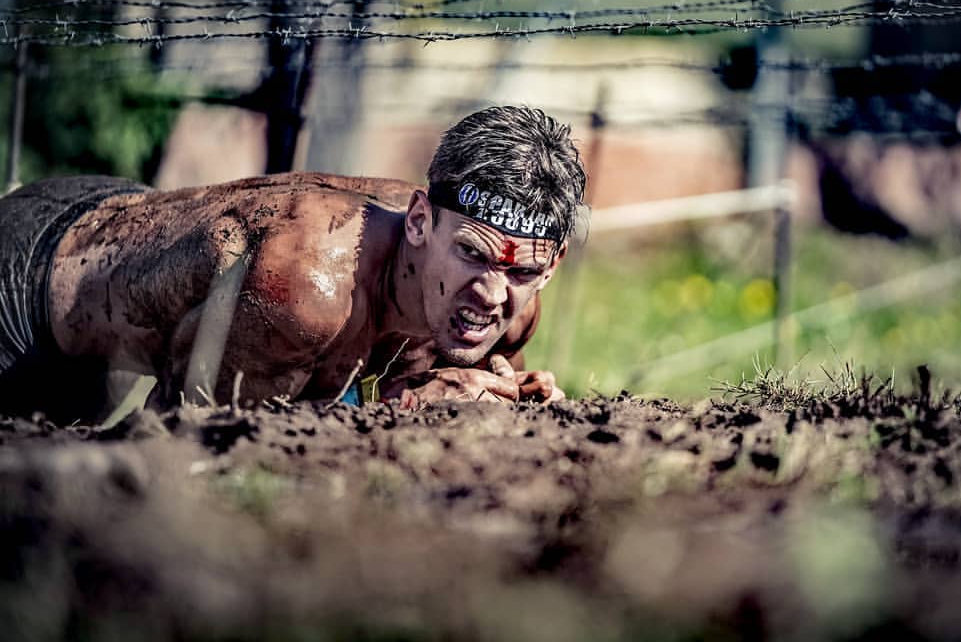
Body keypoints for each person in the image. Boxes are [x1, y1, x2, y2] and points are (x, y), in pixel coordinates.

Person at [0, 105, 586, 422]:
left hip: (118, 249)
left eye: (522, 273)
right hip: (30, 282)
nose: (489, 293)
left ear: (550, 266)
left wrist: (497, 397)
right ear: (418, 223)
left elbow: (439, 393)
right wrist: (410, 414)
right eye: (470, 253)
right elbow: (187, 433)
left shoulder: (501, 311)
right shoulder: (306, 284)